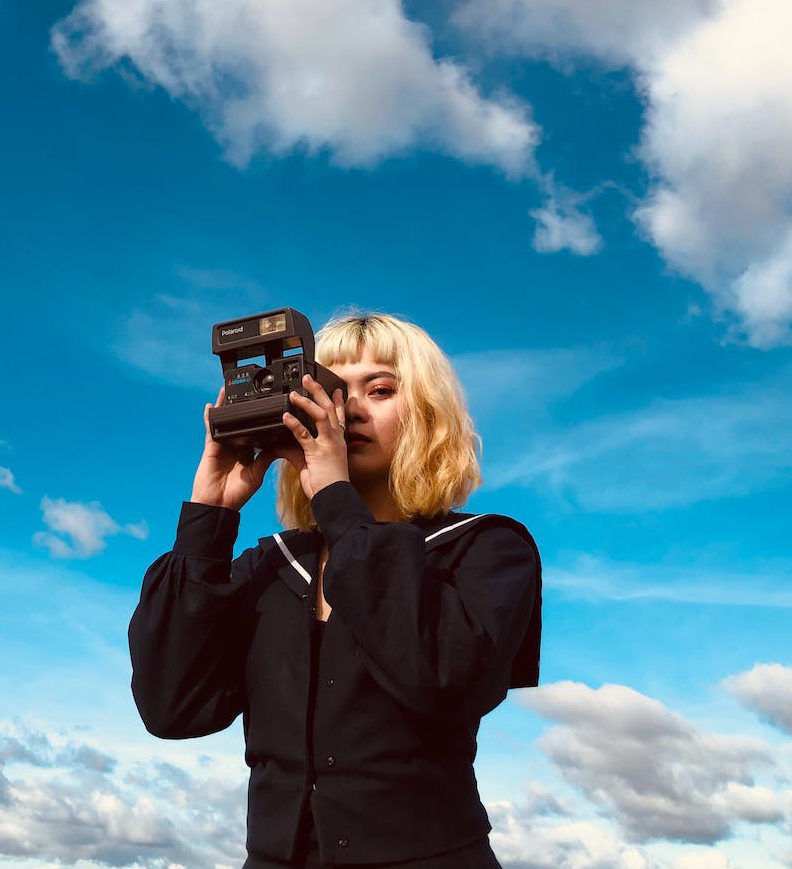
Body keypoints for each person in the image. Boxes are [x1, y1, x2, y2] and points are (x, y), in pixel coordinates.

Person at [128, 312, 542, 869]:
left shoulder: (485, 548)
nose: (349, 410)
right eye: (331, 391)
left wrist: (337, 501)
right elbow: (171, 709)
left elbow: (444, 680)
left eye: (381, 390)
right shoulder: (272, 564)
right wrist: (210, 517)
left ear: (428, 412)